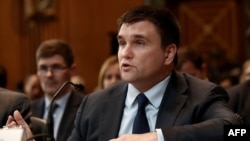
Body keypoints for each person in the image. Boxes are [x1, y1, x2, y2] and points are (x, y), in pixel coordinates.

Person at [7, 5, 240, 141]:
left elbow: (236, 131)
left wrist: (155, 138)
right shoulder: (94, 105)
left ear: (169, 54)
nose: (124, 54)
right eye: (121, 43)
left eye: (139, 43)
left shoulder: (201, 95)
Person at [30, 39, 84, 141]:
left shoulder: (86, 107)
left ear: (72, 70)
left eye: (56, 67)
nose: (49, 74)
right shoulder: (28, 110)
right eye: (43, 68)